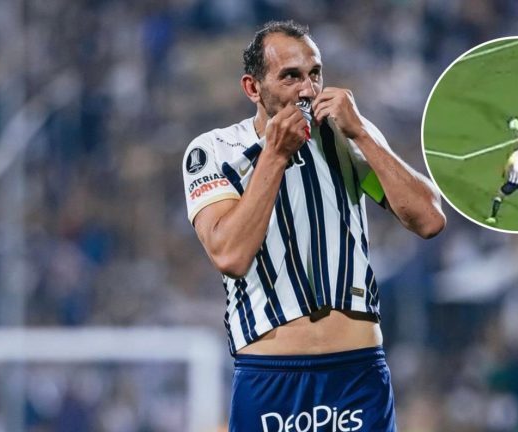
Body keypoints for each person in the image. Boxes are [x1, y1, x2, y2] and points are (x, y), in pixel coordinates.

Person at [182, 20, 445, 431]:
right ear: (253, 88)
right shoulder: (214, 151)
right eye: (290, 77)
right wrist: (274, 154)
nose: (307, 89)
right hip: (270, 379)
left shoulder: (347, 137)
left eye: (315, 74)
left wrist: (362, 133)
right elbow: (230, 255)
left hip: (357, 376)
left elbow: (429, 220)